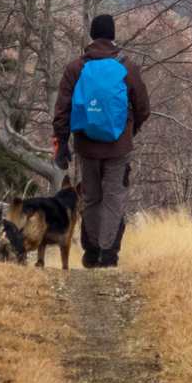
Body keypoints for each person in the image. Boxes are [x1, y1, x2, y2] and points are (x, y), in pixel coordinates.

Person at [53, 14, 151, 268]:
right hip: (119, 146)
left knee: (93, 198)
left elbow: (62, 108)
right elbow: (143, 107)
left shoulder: (77, 67)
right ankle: (108, 255)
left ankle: (92, 252)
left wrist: (61, 144)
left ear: (92, 35)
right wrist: (134, 128)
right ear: (113, 35)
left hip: (86, 146)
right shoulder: (127, 66)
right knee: (113, 198)